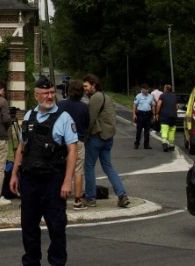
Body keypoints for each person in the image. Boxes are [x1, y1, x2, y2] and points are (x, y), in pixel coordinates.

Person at [9, 76, 77, 266]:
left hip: (53, 181)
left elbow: (73, 151)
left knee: (56, 227)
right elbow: (22, 147)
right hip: (30, 181)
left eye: (51, 92)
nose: (49, 96)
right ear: (36, 95)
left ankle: (56, 262)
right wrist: (14, 173)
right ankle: (31, 262)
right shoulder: (29, 116)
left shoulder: (64, 118)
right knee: (28, 227)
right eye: (45, 93)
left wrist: (67, 180)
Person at [83, 74, 130, 208]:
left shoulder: (96, 98)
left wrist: (85, 137)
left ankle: (90, 198)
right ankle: (122, 195)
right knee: (108, 167)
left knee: (89, 166)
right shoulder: (107, 97)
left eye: (86, 86)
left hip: (97, 137)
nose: (85, 89)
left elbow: (91, 120)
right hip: (108, 137)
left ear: (93, 85)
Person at [58, 78, 89, 210]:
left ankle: (60, 197)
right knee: (78, 170)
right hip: (77, 141)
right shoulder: (84, 107)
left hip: (62, 141)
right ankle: (77, 200)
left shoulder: (60, 105)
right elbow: (86, 124)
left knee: (61, 169)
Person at [155, 84, 179, 152]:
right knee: (172, 130)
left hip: (164, 116)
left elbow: (159, 104)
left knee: (164, 130)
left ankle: (165, 144)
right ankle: (171, 145)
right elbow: (176, 107)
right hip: (173, 116)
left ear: (165, 89)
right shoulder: (174, 96)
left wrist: (157, 113)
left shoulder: (162, 95)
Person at [133, 84, 155, 149]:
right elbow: (134, 105)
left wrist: (154, 115)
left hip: (148, 115)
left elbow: (153, 106)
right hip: (140, 115)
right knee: (139, 130)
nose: (147, 91)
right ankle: (137, 144)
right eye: (145, 89)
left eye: (147, 89)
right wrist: (134, 114)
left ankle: (146, 145)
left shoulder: (151, 96)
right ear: (142, 90)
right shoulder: (138, 96)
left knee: (147, 131)